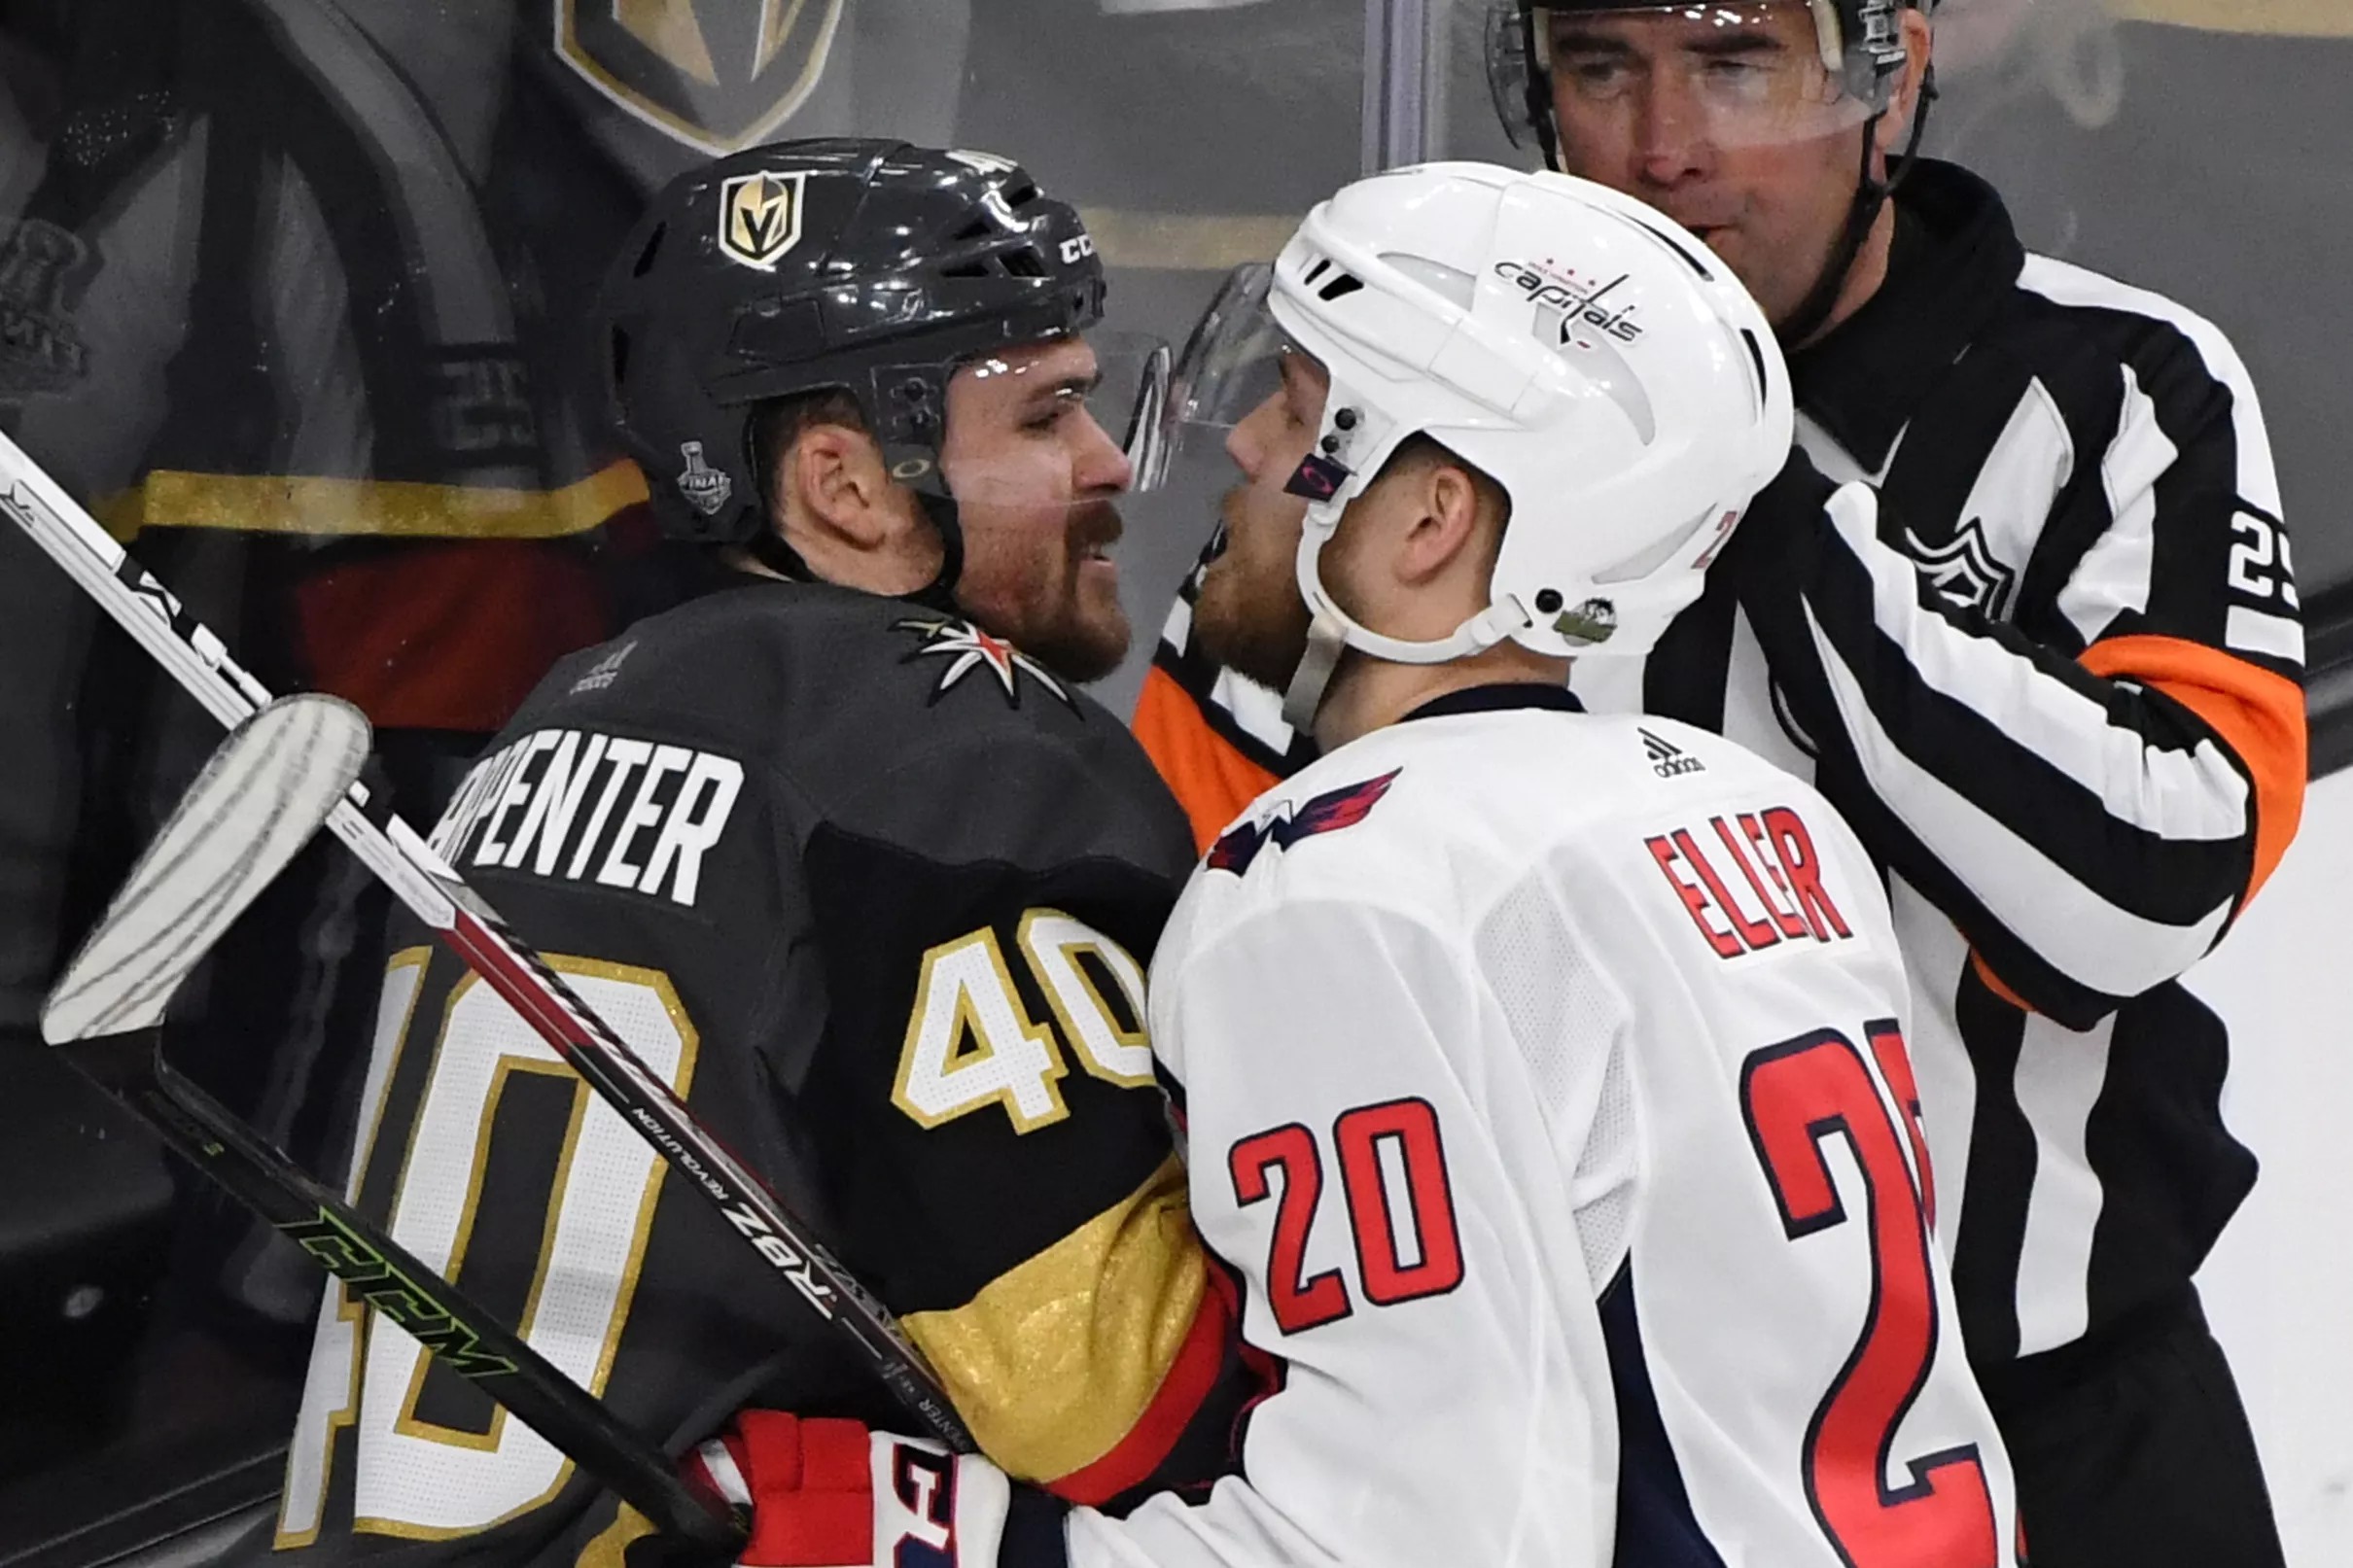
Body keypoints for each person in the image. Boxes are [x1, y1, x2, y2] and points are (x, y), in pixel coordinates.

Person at [666, 163, 2022, 1568]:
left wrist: (943, 1539)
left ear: (1432, 519)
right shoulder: (1765, 820)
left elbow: (1424, 1542)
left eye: (1307, 409)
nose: (1246, 445)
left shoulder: (1346, 891)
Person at [1134, 6, 2307, 1565]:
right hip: (1606, 1457)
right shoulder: (1407, 433)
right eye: (1602, 66)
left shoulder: (2122, 385)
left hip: (2078, 1416)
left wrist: (1733, 479)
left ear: (1887, 86)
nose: (1661, 140)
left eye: (1736, 60)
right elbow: (1189, 895)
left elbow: (2150, 890)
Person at [256, 138, 1261, 1568]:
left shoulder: (559, 719)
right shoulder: (960, 765)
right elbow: (1130, 1425)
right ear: (850, 485)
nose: (1108, 464)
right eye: (1046, 418)